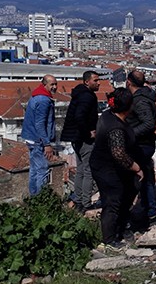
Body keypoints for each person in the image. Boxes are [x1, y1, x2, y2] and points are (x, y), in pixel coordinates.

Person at [90, 88, 144, 249]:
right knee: (112, 202)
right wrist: (136, 168)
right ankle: (110, 240)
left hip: (110, 167)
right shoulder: (115, 128)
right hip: (106, 168)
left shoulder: (109, 115)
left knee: (124, 195)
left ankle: (122, 227)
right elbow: (119, 154)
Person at [61, 71, 100, 213]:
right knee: (88, 171)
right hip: (84, 139)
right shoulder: (87, 97)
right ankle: (85, 202)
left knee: (80, 170)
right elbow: (80, 117)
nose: (99, 83)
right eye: (95, 80)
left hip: (76, 138)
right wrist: (88, 133)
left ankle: (78, 199)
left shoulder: (79, 94)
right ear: (87, 82)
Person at [125, 70, 156, 226]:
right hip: (145, 143)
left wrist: (129, 134)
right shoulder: (145, 97)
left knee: (140, 178)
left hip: (141, 145)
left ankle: (148, 213)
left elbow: (148, 124)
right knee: (146, 177)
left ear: (128, 82)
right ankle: (148, 211)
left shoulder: (140, 101)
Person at [21, 74, 58, 196]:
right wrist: (47, 143)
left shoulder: (36, 96)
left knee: (34, 170)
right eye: (52, 84)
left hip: (31, 137)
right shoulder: (43, 100)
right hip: (38, 140)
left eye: (55, 84)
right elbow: (40, 123)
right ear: (44, 84)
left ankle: (33, 197)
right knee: (42, 170)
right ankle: (41, 199)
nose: (54, 87)